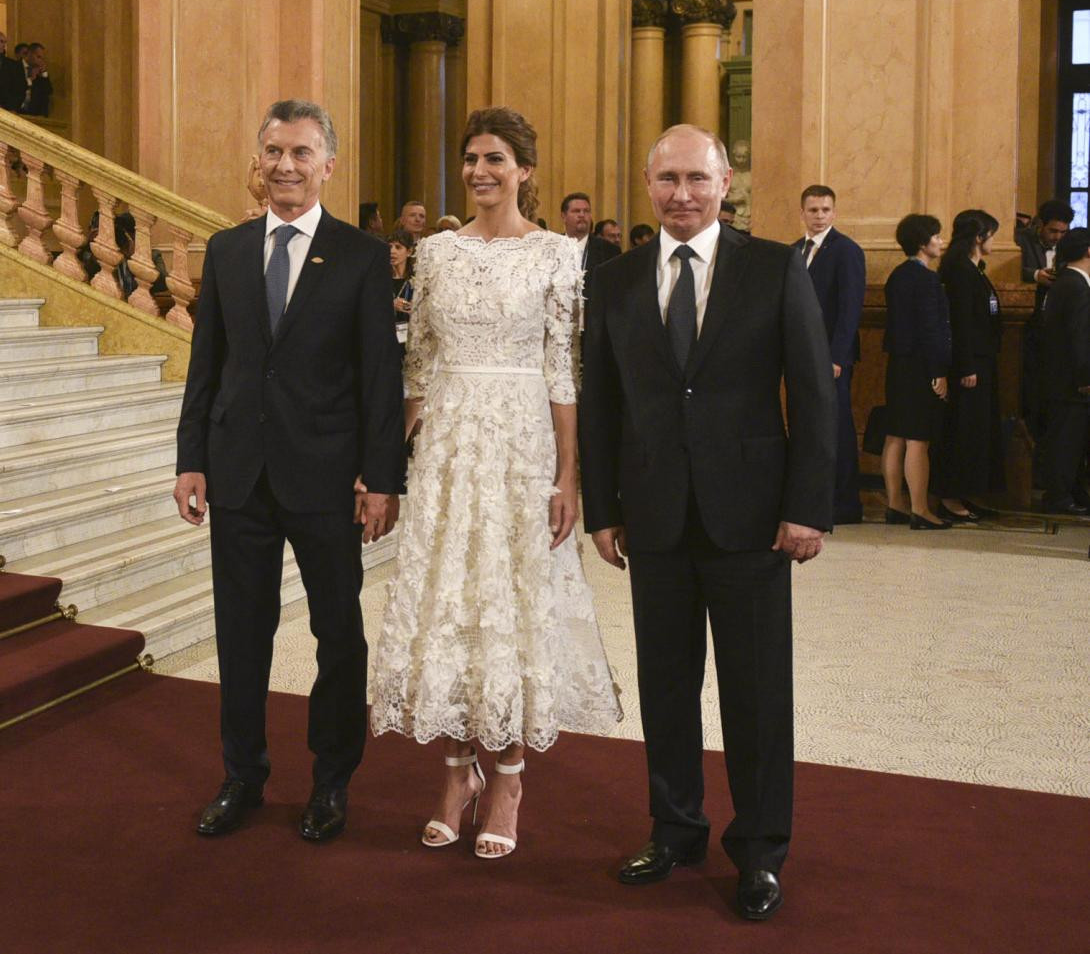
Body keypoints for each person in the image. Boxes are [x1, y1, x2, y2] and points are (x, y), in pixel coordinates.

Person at [579, 124, 835, 921]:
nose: (681, 194)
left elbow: (813, 393)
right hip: (653, 516)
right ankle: (676, 826)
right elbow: (602, 401)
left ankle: (760, 850)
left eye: (697, 178)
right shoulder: (616, 279)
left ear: (726, 183)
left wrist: (806, 506)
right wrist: (603, 508)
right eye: (666, 180)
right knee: (665, 683)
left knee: (757, 693)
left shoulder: (773, 266)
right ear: (648, 185)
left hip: (752, 517)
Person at [370, 106, 622, 860]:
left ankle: (508, 775)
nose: (481, 172)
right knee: (448, 604)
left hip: (521, 445)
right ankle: (455, 773)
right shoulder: (436, 253)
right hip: (448, 446)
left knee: (509, 605)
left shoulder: (556, 254)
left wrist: (568, 474)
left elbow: (562, 370)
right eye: (472, 159)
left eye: (496, 160)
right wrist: (387, 464)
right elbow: (419, 362)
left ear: (525, 171)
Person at [174, 99, 404, 843]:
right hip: (238, 472)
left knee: (339, 633)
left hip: (328, 478)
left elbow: (380, 378)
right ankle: (242, 773)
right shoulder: (227, 249)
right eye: (274, 151)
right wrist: (190, 461)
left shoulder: (364, 256)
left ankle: (331, 779)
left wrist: (383, 477)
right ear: (259, 159)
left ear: (328, 166)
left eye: (301, 153)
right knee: (242, 632)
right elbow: (206, 361)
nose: (285, 166)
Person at [793, 184, 867, 524]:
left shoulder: (846, 250)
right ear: (803, 213)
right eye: (813, 210)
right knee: (806, 426)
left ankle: (845, 503)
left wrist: (837, 357)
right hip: (800, 355)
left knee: (836, 427)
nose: (819, 216)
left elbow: (850, 309)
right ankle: (813, 500)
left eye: (825, 210)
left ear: (834, 213)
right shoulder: (794, 251)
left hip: (831, 358)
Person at [880, 214, 952, 529]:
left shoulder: (897, 275)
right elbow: (931, 329)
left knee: (895, 434)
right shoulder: (926, 279)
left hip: (898, 363)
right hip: (921, 365)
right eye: (936, 236)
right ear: (923, 242)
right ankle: (920, 509)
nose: (940, 241)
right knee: (918, 439)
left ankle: (895, 503)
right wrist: (939, 371)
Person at [935, 209, 1003, 522]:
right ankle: (949, 496)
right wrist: (965, 367)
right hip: (969, 364)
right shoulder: (959, 270)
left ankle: (966, 492)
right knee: (961, 430)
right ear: (978, 237)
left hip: (982, 361)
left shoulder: (974, 268)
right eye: (991, 234)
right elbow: (960, 323)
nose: (994, 241)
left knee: (976, 431)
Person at [1039, 228, 1090, 514]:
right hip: (1070, 381)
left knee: (1072, 439)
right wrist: (1086, 378)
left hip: (1062, 378)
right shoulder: (1075, 285)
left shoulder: (1068, 282)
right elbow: (1079, 337)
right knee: (1067, 440)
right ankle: (1059, 496)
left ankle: (1071, 490)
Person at [1020, 200, 1074, 446]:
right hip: (1030, 325)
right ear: (1040, 225)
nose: (1058, 237)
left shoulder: (1069, 247)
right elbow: (1008, 266)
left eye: (1063, 232)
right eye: (1053, 231)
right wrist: (1035, 275)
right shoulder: (1022, 241)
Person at [561, 191, 620, 327]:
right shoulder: (551, 248)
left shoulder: (609, 251)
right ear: (563, 216)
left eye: (586, 211)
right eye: (576, 211)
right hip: (560, 324)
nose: (582, 215)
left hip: (594, 325)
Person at [388, 228, 414, 351]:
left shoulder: (416, 279)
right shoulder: (380, 278)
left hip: (411, 338)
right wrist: (390, 305)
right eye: (390, 247)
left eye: (398, 247)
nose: (392, 251)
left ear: (409, 252)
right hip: (387, 336)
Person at [19, 43, 53, 116]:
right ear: (29, 54)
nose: (40, 61)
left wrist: (44, 73)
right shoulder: (14, 66)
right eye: (38, 57)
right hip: (16, 112)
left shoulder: (39, 73)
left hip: (34, 115)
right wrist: (30, 80)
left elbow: (48, 91)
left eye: (42, 58)